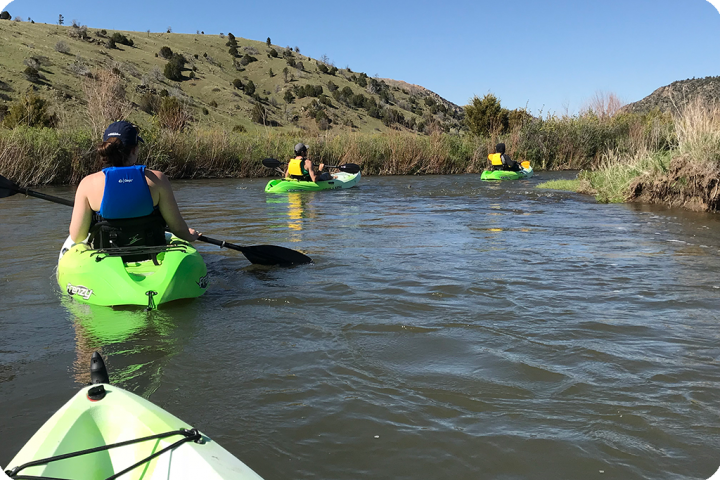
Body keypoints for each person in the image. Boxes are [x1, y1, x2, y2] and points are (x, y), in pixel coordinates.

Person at [69, 121, 200, 249]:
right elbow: (177, 228)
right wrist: (189, 235)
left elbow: (77, 236)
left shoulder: (88, 183)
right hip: (152, 249)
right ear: (134, 150)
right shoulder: (157, 179)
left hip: (106, 253)